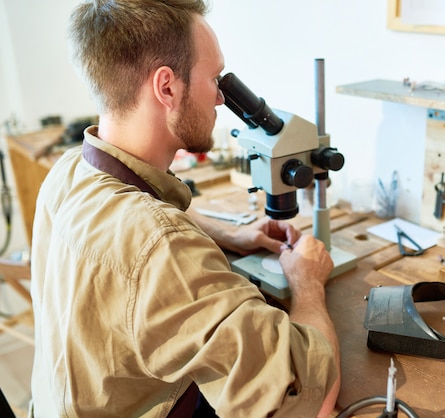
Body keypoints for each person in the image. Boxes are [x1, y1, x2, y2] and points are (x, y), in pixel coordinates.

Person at [29, 0, 340, 417]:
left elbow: (138, 220)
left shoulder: (71, 170)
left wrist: (227, 233)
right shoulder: (161, 247)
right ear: (167, 87)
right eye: (214, 79)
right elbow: (310, 396)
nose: (218, 98)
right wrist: (307, 284)